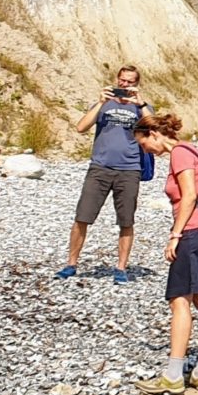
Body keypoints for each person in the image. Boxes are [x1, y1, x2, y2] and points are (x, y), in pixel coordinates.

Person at [131, 112, 198, 395]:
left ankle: (174, 375)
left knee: (179, 301)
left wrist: (175, 234)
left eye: (143, 144)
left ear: (153, 135)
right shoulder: (193, 150)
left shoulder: (178, 154)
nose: (145, 151)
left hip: (193, 233)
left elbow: (188, 195)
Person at [61, 66, 149, 283]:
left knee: (126, 220)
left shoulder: (140, 108)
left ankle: (121, 267)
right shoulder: (104, 104)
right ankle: (71, 263)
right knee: (83, 216)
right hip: (100, 167)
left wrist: (141, 103)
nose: (125, 85)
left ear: (136, 84)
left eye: (130, 82)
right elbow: (81, 127)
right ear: (116, 80)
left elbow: (156, 129)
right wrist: (100, 102)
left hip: (129, 169)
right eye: (122, 80)